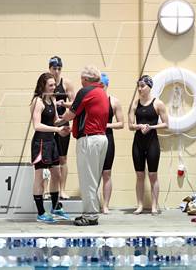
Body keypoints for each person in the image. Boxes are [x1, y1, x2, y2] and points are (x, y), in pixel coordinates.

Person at [61, 65, 109, 226]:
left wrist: (56, 122)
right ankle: (91, 211)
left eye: (81, 78)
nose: (80, 81)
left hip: (89, 140)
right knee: (93, 179)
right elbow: (81, 107)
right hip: (101, 139)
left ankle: (90, 215)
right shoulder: (100, 92)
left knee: (87, 179)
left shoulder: (85, 91)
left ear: (86, 79)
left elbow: (71, 113)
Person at [30, 72, 70, 223]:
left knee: (57, 175)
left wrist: (65, 122)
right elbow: (37, 125)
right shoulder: (37, 102)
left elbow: (55, 121)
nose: (54, 88)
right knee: (39, 178)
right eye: (51, 85)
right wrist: (57, 130)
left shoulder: (52, 99)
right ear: (43, 86)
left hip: (51, 142)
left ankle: (55, 207)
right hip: (40, 143)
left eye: (55, 85)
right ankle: (41, 212)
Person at [128, 75, 168, 215]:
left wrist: (151, 127)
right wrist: (138, 126)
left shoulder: (158, 104)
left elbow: (166, 124)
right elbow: (130, 125)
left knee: (152, 175)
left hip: (152, 143)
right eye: (138, 86)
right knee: (139, 175)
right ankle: (139, 205)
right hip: (138, 143)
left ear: (149, 87)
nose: (139, 89)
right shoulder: (135, 103)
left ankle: (154, 206)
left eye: (142, 86)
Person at [48, 56, 76, 200]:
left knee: (62, 158)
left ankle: (62, 190)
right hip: (49, 124)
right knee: (48, 159)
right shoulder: (45, 84)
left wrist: (63, 105)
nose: (57, 71)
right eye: (54, 68)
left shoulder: (66, 84)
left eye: (59, 68)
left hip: (63, 124)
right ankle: (50, 189)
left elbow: (75, 104)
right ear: (49, 69)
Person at [99, 73, 124, 214]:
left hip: (107, 138)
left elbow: (121, 123)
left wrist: (106, 125)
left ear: (107, 85)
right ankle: (93, 203)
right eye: (98, 85)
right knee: (94, 174)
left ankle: (106, 205)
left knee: (107, 173)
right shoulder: (91, 100)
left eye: (102, 85)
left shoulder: (113, 102)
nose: (100, 88)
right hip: (93, 138)